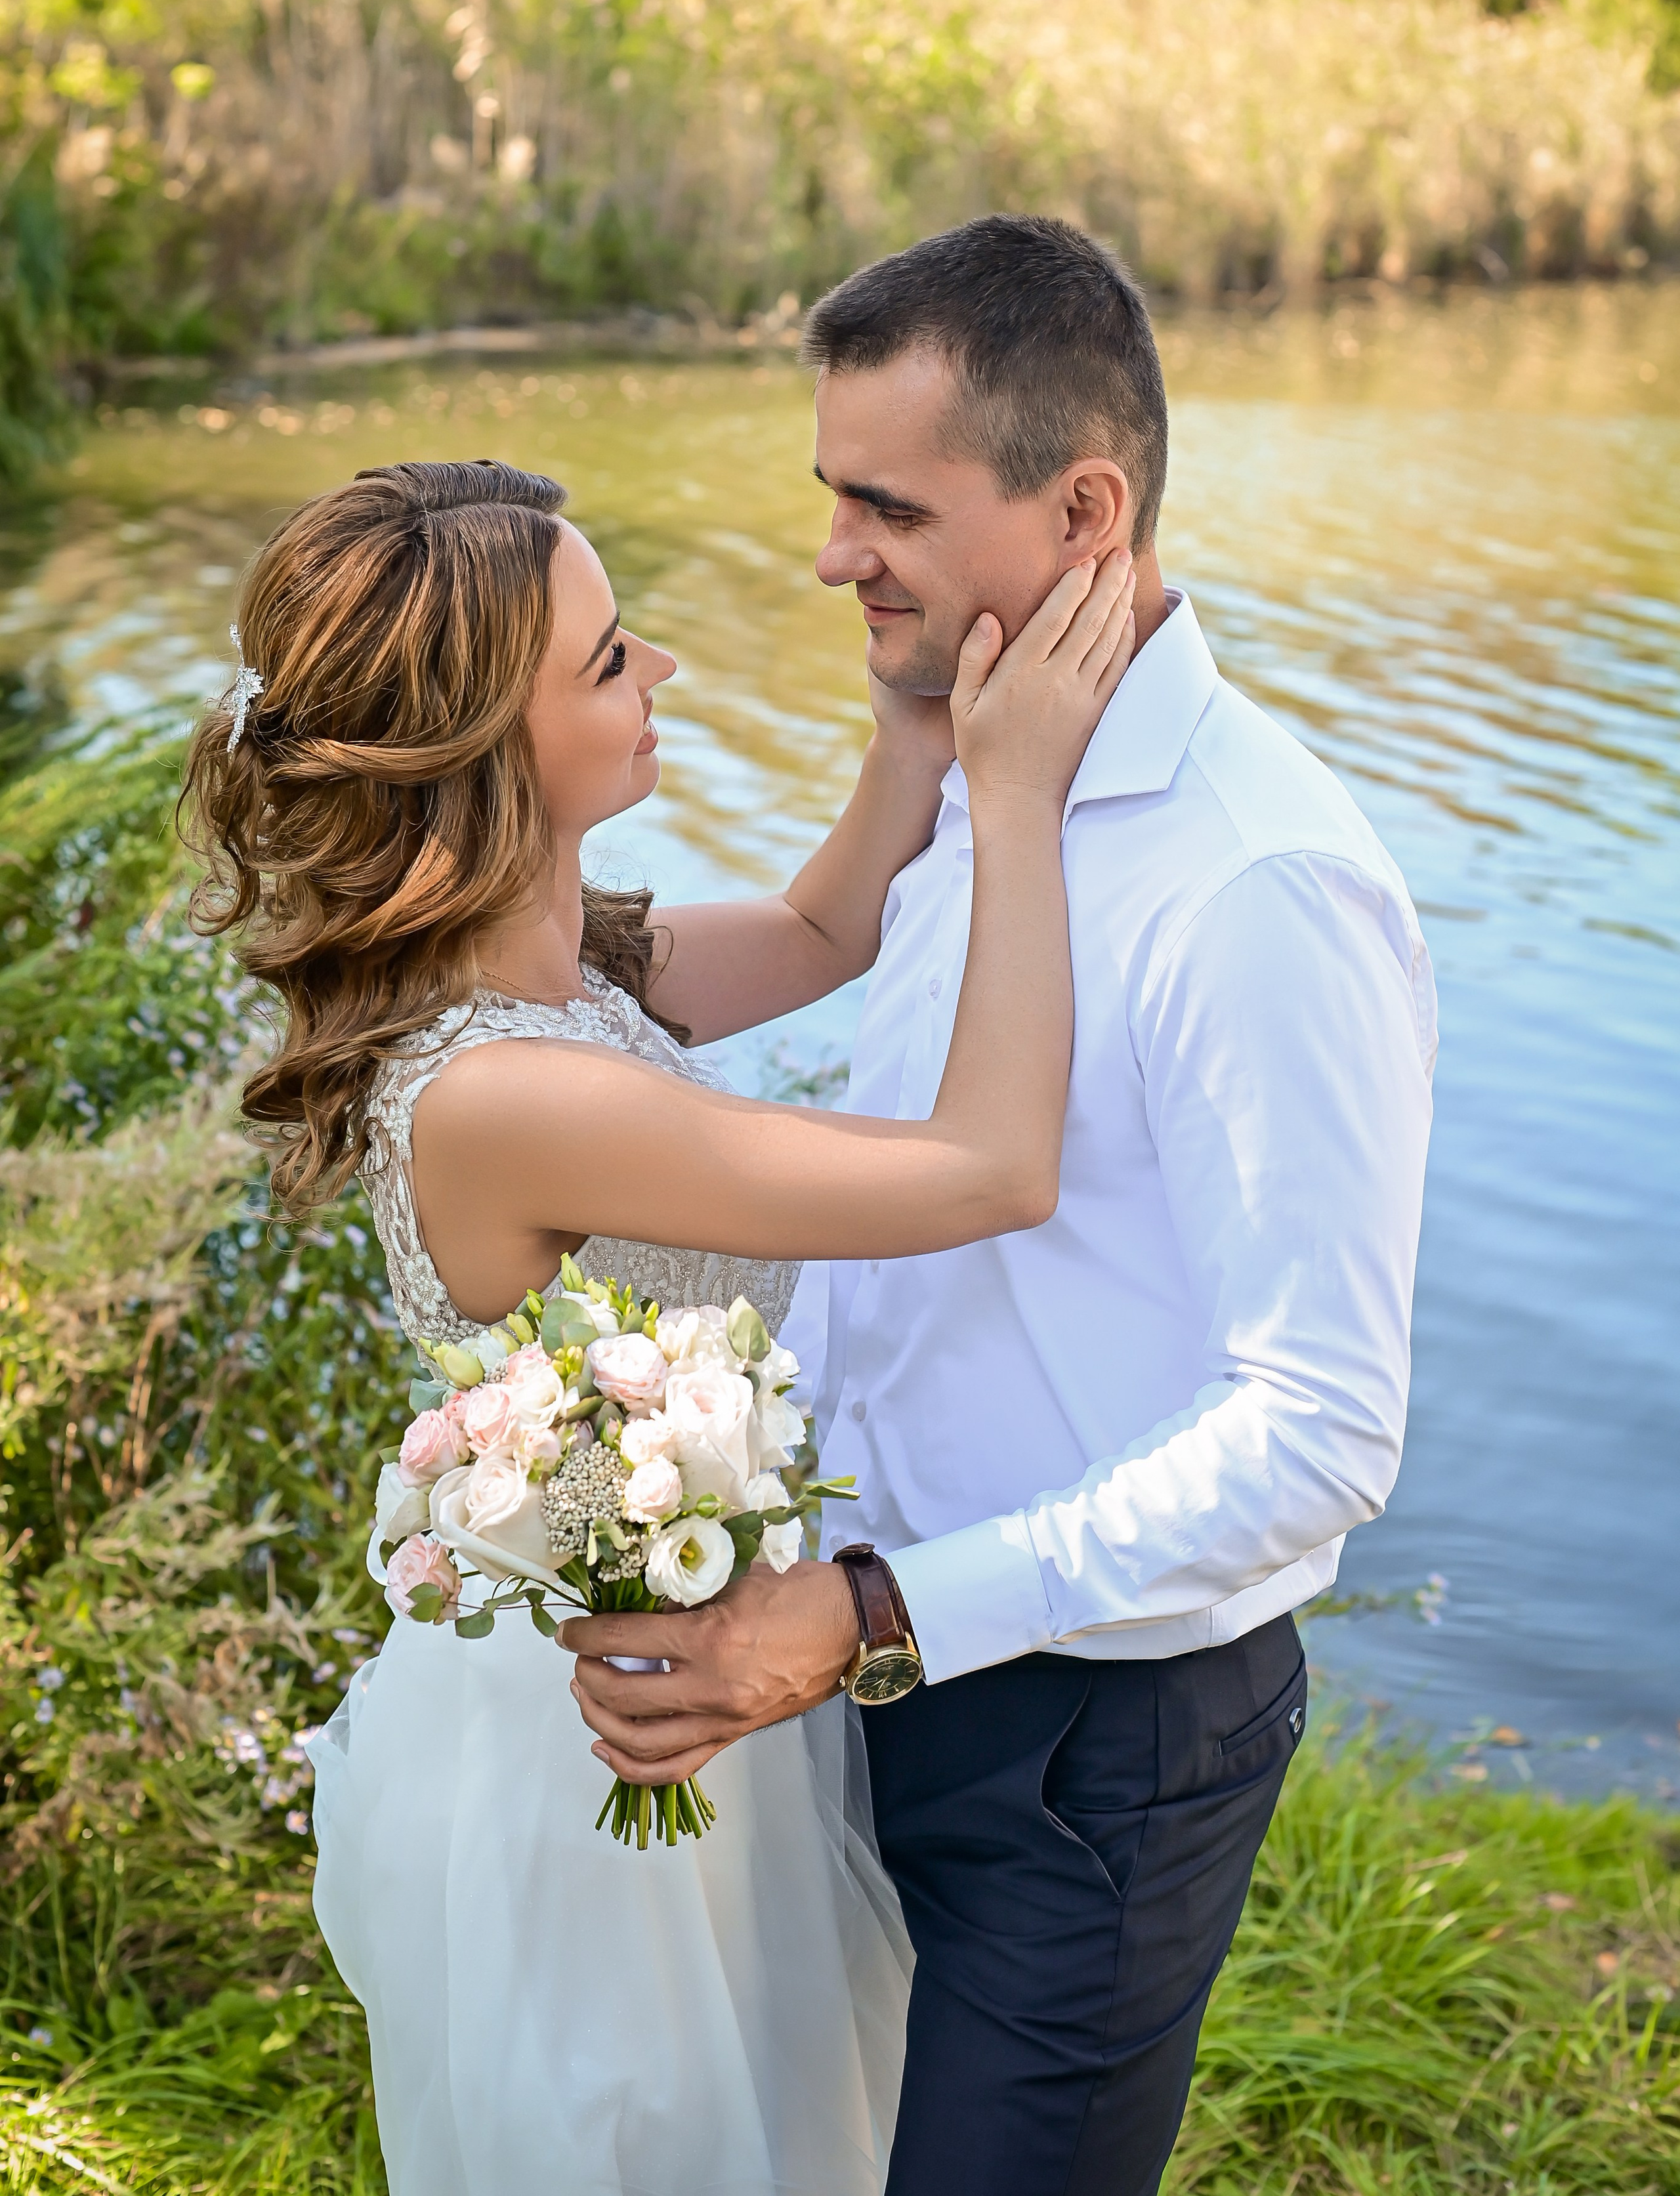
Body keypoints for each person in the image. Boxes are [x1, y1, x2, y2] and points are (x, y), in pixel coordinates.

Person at [565, 215, 1439, 2196]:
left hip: (1094, 1751)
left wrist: (874, 1615)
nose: (830, 554)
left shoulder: (1259, 886)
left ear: (1084, 508)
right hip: (864, 1670)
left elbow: (1322, 1430)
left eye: (887, 505)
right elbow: (821, 988)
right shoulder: (982, 762)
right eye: (829, 495)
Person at [181, 450, 1137, 2196]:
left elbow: (820, 920)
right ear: (493, 750)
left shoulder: (555, 969)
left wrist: (916, 712)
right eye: (614, 658)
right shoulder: (507, 1092)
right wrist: (1020, 802)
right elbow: (992, 1166)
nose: (666, 671)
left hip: (678, 1671)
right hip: (607, 1756)